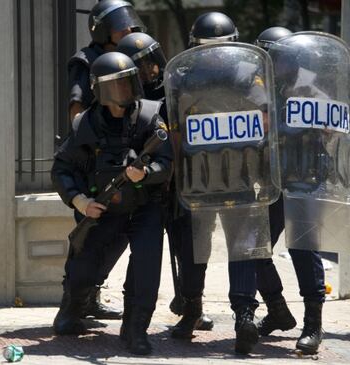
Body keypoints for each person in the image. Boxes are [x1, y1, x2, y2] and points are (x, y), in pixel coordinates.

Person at [52, 52, 173, 356]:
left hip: (145, 207)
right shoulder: (85, 125)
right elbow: (62, 169)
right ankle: (72, 310)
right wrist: (80, 202)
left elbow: (166, 163)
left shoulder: (149, 116)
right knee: (83, 269)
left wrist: (145, 173)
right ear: (101, 90)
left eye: (128, 82)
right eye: (117, 85)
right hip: (104, 211)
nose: (125, 90)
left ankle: (135, 330)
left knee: (145, 270)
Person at [168, 12, 261, 355]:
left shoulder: (189, 78)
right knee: (206, 247)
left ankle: (237, 316)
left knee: (223, 247)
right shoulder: (185, 77)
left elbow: (265, 120)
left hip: (217, 175)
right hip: (214, 176)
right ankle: (219, 312)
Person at [116, 32, 215, 332]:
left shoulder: (179, 86)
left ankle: (192, 307)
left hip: (185, 183)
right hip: (146, 189)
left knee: (192, 249)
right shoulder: (127, 100)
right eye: (140, 67)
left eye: (151, 64)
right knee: (143, 253)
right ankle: (131, 312)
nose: (149, 72)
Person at [67, 0, 146, 320]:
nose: (129, 29)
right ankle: (73, 301)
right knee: (89, 234)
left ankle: (91, 294)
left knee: (121, 232)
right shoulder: (85, 61)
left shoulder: (124, 57)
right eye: (120, 25)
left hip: (123, 156)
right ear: (101, 29)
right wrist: (88, 143)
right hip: (93, 159)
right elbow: (76, 108)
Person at [254, 27, 325, 355]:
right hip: (267, 183)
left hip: (301, 183)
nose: (270, 63)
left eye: (275, 57)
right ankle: (277, 309)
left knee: (303, 250)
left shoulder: (309, 89)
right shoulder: (258, 89)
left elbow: (333, 123)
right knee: (251, 248)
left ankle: (313, 324)